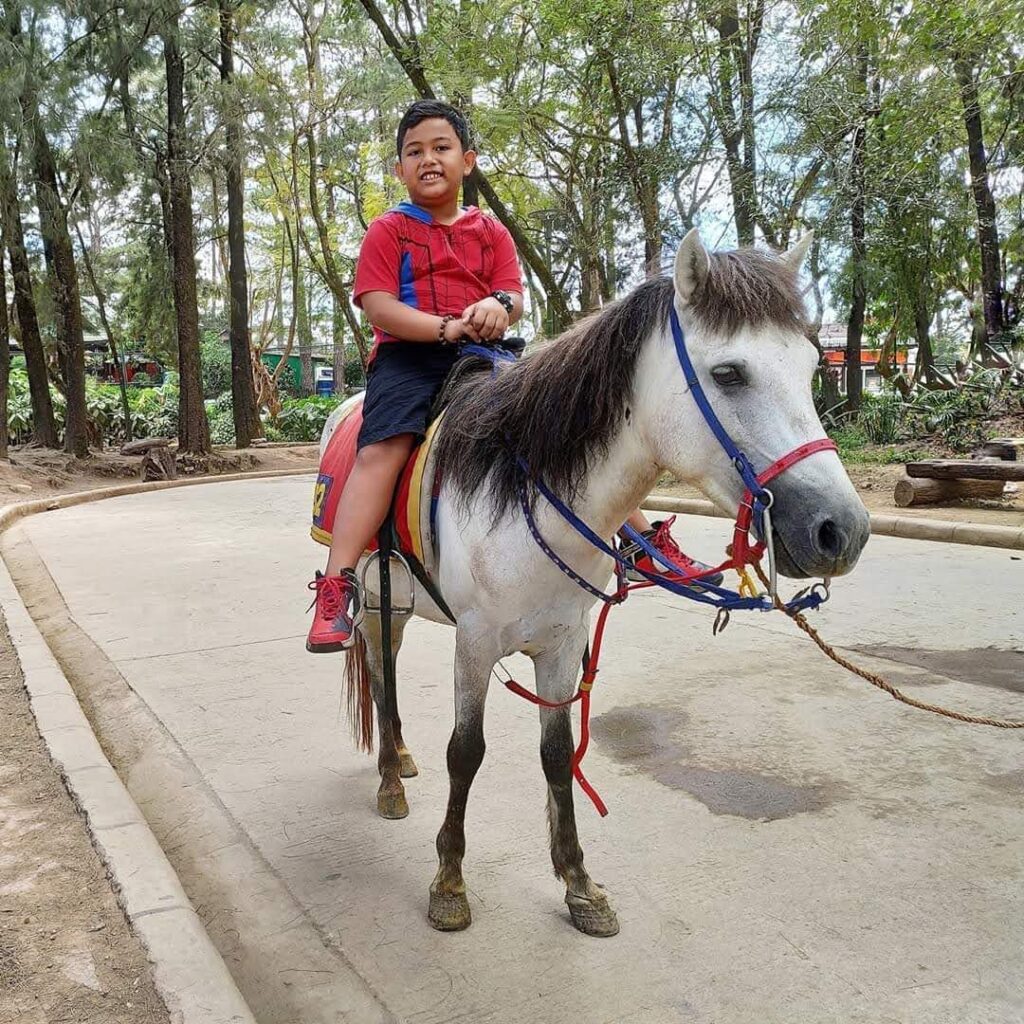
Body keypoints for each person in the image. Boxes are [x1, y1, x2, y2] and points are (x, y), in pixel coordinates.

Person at [307, 100, 719, 653]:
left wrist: (499, 306)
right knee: (384, 447)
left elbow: (513, 295)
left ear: (467, 160)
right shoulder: (389, 232)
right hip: (411, 357)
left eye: (441, 148)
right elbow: (378, 306)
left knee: (565, 426)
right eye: (414, 152)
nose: (428, 159)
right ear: (399, 169)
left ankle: (643, 543)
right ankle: (338, 582)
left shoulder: (490, 231)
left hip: (488, 355)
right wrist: (444, 328)